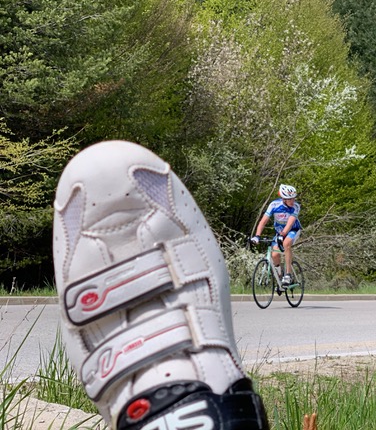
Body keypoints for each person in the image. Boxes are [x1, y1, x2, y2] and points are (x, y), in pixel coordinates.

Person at [52, 141, 269, 430]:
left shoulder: (293, 209)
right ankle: (218, 384)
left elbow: (293, 223)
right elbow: (265, 221)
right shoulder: (276, 206)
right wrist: (258, 235)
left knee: (288, 244)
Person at [251, 184, 301, 287]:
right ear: (283, 199)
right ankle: (279, 276)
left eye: (293, 198)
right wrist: (257, 236)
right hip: (280, 233)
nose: (292, 201)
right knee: (274, 255)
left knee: (286, 243)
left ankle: (288, 274)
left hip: (293, 230)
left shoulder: (296, 206)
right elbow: (263, 222)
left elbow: (290, 224)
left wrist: (282, 235)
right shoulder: (274, 205)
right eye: (290, 199)